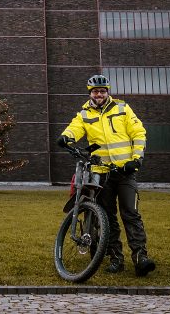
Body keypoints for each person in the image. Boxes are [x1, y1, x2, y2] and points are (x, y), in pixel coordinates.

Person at [57, 74, 156, 276]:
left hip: (125, 172)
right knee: (108, 217)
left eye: (102, 91)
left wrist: (136, 159)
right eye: (95, 91)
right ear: (90, 93)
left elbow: (139, 133)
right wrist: (66, 137)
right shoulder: (84, 113)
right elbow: (75, 128)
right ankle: (115, 259)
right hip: (101, 174)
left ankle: (140, 258)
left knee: (131, 214)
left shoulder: (122, 108)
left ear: (107, 92)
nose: (99, 94)